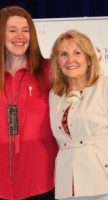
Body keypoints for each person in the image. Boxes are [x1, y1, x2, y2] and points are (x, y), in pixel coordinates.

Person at [0, 6, 58, 199]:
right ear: (0, 34)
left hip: (42, 179)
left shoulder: (49, 70)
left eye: (25, 30)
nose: (20, 36)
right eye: (12, 30)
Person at [49, 29, 108, 200]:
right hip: (66, 183)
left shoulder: (104, 86)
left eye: (77, 53)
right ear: (57, 62)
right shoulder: (54, 95)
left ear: (89, 58)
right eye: (64, 54)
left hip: (101, 179)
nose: (70, 60)